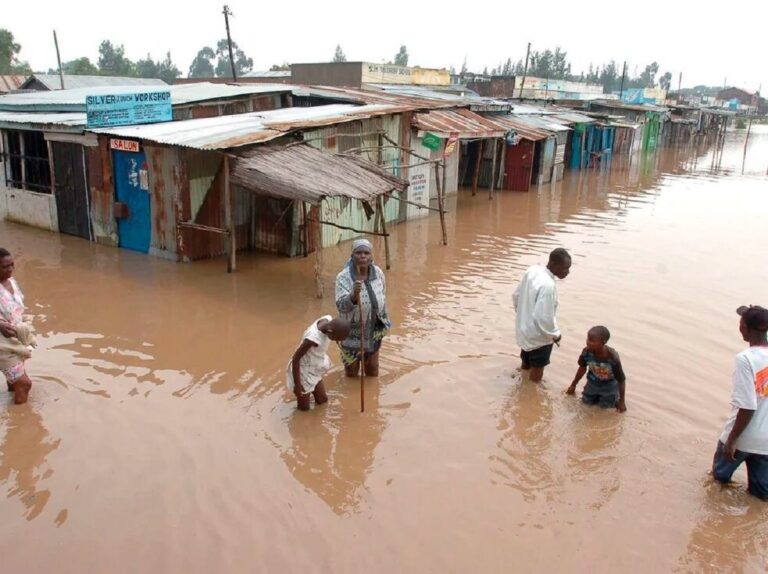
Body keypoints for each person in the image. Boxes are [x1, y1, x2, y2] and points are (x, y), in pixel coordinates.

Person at [712, 305, 768, 501]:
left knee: (717, 484)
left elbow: (747, 406)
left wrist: (732, 440)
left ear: (744, 327)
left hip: (743, 436)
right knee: (760, 497)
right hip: (766, 444)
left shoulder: (745, 359)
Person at [513, 248, 571, 382]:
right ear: (554, 264)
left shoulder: (533, 270)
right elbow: (543, 317)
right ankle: (530, 395)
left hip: (524, 330)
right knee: (538, 368)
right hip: (539, 337)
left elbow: (516, 295)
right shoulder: (548, 285)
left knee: (526, 360)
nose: (567, 272)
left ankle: (522, 383)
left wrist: (523, 317)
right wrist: (555, 334)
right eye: (565, 268)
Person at [335, 239, 391, 377]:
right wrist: (353, 295)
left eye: (366, 253)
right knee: (352, 373)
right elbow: (341, 306)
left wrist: (382, 322)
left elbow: (383, 297)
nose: (363, 256)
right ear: (352, 256)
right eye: (358, 253)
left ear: (371, 256)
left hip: (373, 331)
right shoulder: (343, 277)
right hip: (351, 333)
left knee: (372, 371)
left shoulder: (378, 273)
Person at [287, 315, 350, 412]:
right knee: (304, 409)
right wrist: (297, 385)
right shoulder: (312, 339)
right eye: (336, 339)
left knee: (323, 401)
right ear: (330, 332)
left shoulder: (327, 319)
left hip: (314, 368)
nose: (337, 341)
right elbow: (296, 359)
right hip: (303, 371)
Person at [0, 248, 34, 405]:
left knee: (15, 382)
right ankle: (19, 421)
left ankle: (11, 398)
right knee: (24, 383)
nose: (10, 269)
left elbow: (18, 308)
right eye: (5, 267)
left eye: (11, 265)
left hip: (16, 339)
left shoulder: (12, 282)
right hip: (2, 344)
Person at [566, 326, 627, 412]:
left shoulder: (612, 358)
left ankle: (614, 400)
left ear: (603, 342)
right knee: (585, 405)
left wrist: (622, 401)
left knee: (605, 409)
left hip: (609, 386)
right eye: (588, 339)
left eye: (592, 340)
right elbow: (582, 368)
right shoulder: (586, 352)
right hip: (592, 384)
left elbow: (621, 380)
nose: (588, 342)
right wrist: (573, 385)